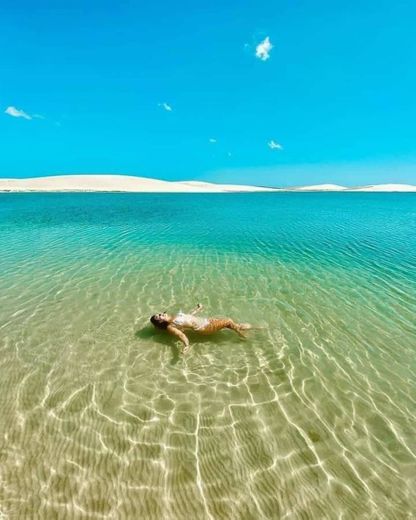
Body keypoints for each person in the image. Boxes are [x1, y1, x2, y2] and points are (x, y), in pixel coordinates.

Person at [150, 304, 252, 353]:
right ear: (160, 321)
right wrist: (186, 345)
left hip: (206, 321)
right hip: (204, 327)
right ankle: (242, 335)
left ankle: (248, 330)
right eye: (159, 316)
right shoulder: (170, 326)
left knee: (231, 324)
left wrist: (197, 309)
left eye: (160, 313)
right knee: (228, 321)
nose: (161, 313)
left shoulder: (173, 317)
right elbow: (181, 335)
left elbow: (188, 317)